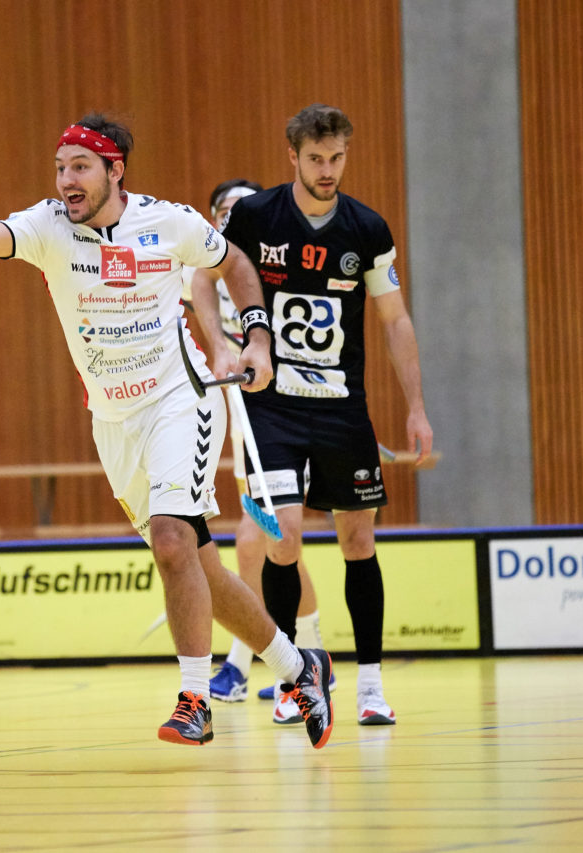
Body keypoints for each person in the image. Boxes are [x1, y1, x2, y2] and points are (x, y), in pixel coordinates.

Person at [0, 113, 334, 750]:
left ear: (114, 170)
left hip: (181, 398)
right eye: (60, 167)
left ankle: (194, 700)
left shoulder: (169, 221)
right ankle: (298, 669)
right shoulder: (47, 225)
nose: (66, 179)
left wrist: (257, 337)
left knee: (173, 543)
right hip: (113, 420)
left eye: (80, 167)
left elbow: (232, 262)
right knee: (201, 564)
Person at [220, 104, 434, 726]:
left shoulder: (367, 228)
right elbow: (208, 277)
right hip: (273, 408)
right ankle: (295, 683)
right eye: (315, 159)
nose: (327, 170)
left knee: (358, 541)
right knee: (282, 537)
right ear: (292, 156)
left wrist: (417, 407)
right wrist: (219, 340)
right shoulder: (255, 216)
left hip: (343, 409)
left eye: (337, 157)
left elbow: (394, 319)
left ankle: (370, 686)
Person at [184, 179, 333, 721]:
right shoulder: (202, 262)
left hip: (289, 408)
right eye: (224, 208)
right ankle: (307, 653)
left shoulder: (278, 262)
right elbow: (185, 287)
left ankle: (251, 660)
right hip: (238, 412)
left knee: (261, 538)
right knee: (272, 540)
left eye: (241, 207)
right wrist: (217, 346)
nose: (234, 216)